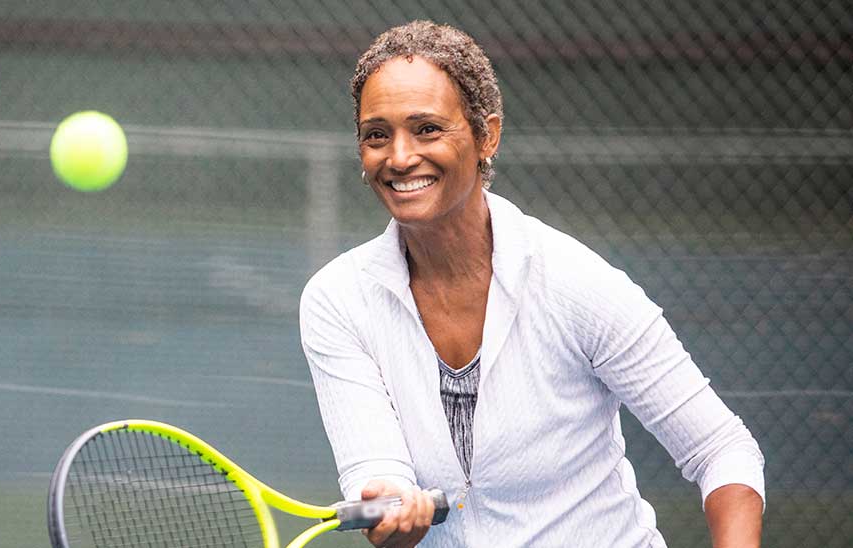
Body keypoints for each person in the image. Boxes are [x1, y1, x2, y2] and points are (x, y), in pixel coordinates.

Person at [299, 20, 765, 547]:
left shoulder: (578, 284)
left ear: (486, 136)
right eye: (377, 135)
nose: (400, 157)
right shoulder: (336, 301)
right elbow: (383, 496)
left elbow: (722, 448)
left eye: (427, 128)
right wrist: (391, 507)